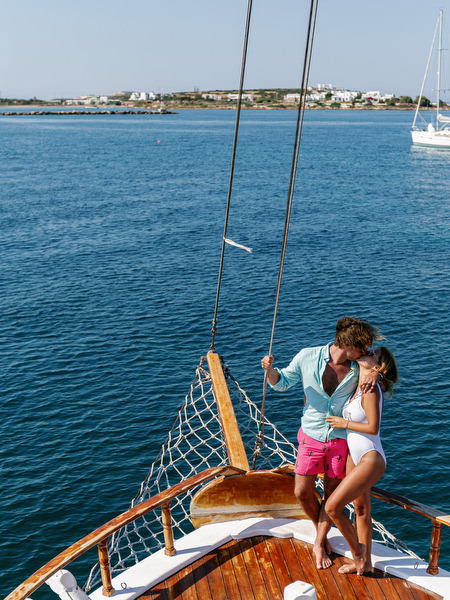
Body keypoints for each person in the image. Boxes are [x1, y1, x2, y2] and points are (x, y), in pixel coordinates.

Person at [261, 316, 384, 569]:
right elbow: (282, 382)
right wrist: (270, 371)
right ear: (347, 344)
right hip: (311, 435)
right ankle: (327, 536)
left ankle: (320, 541)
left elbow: (379, 361)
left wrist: (376, 375)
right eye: (361, 348)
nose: (365, 352)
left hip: (340, 441)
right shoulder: (308, 356)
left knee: (331, 496)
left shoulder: (359, 364)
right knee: (302, 492)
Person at [324, 346, 398, 575]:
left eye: (373, 352)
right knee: (361, 508)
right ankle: (365, 563)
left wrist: (343, 423)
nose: (369, 350)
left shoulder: (371, 388)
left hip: (370, 457)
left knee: (332, 507)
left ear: (377, 366)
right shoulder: (360, 382)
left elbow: (373, 428)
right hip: (355, 455)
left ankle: (357, 552)